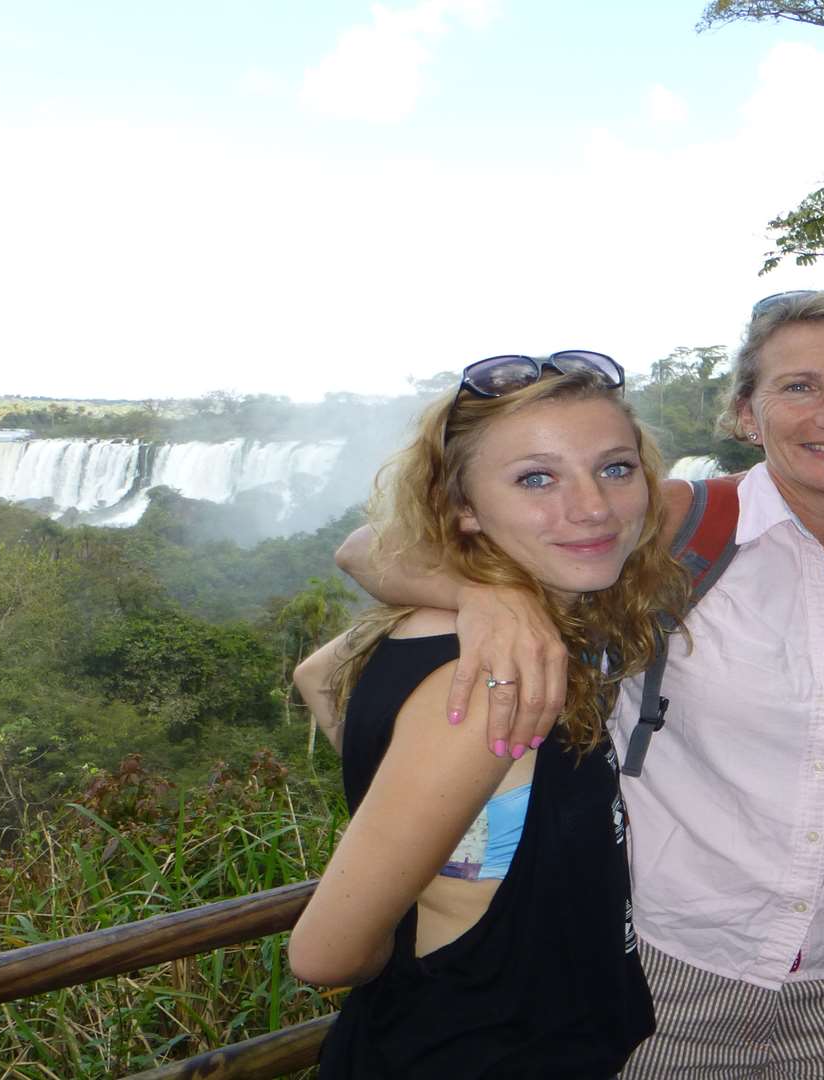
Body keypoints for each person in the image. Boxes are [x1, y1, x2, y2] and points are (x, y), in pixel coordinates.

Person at [330, 289, 824, 1077]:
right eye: (799, 386)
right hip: (664, 980)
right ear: (744, 413)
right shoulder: (670, 525)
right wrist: (490, 594)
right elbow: (365, 547)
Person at [286, 351, 687, 1078]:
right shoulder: (489, 685)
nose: (593, 506)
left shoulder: (529, 620)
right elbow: (324, 955)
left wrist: (447, 829)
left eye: (616, 468)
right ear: (462, 506)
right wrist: (411, 939)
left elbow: (316, 675)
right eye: (537, 478)